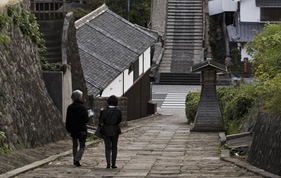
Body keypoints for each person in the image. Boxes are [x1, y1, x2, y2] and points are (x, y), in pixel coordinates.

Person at [66, 90, 89, 167]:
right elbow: (86, 119)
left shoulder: (70, 107)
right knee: (82, 146)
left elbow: (67, 119)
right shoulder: (83, 108)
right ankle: (77, 159)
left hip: (73, 129)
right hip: (81, 129)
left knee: (75, 145)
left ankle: (75, 160)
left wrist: (68, 129)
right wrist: (89, 115)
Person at [99, 95, 122, 169]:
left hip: (106, 130)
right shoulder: (118, 111)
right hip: (115, 129)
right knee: (114, 147)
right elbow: (119, 120)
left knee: (107, 147)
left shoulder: (104, 111)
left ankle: (108, 163)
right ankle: (114, 164)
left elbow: (101, 121)